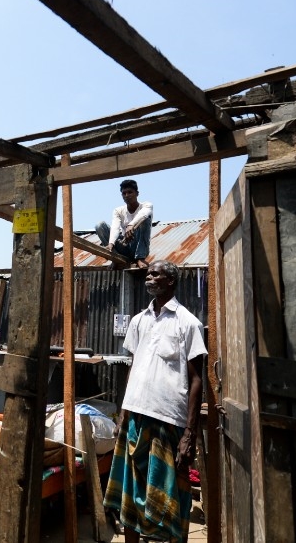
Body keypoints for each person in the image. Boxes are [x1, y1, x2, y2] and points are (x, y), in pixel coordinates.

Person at [104, 260, 205, 543]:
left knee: (170, 496)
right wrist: (123, 413)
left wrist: (190, 434)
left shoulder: (188, 323)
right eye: (148, 274)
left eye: (155, 273)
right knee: (131, 494)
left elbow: (197, 379)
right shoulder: (139, 321)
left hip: (168, 419)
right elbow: (134, 368)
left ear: (170, 281)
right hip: (135, 415)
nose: (149, 277)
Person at [96, 179, 153, 269]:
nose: (127, 195)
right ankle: (115, 258)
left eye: (130, 192)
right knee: (100, 226)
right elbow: (115, 227)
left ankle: (140, 258)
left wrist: (131, 225)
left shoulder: (146, 205)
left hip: (138, 247)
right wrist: (111, 243)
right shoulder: (118, 211)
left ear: (137, 193)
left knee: (145, 219)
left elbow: (144, 214)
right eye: (124, 193)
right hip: (124, 247)